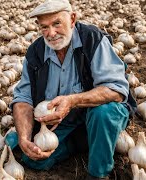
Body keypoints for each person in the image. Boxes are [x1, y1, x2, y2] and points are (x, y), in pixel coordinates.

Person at [8, 0, 137, 179]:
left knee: (103, 113)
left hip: (98, 112)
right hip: (62, 122)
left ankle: (98, 173)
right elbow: (23, 99)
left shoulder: (92, 40)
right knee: (34, 159)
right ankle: (83, 141)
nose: (51, 33)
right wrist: (24, 138)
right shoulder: (35, 53)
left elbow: (115, 89)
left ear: (73, 19)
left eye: (57, 23)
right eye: (44, 27)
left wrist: (72, 101)